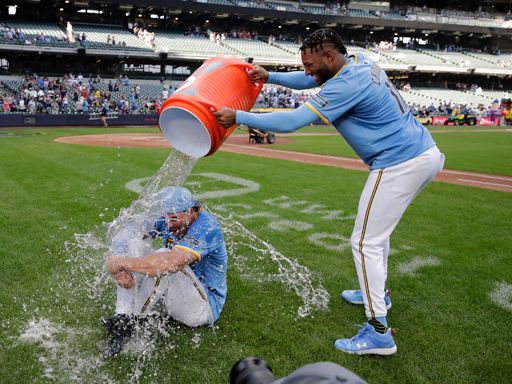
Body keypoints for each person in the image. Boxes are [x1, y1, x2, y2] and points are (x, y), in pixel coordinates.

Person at [213, 28, 445, 356]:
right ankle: (379, 294)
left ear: (329, 57)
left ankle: (379, 333)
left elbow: (293, 121)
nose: (306, 71)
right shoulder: (358, 63)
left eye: (310, 64)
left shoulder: (345, 83)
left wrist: (239, 116)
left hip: (398, 161)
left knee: (365, 242)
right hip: (422, 153)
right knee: (378, 235)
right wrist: (271, 76)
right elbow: (313, 81)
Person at [104, 186, 228, 356]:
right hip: (175, 297)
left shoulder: (207, 227)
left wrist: (121, 262)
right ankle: (122, 316)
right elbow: (128, 231)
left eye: (174, 218)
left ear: (191, 211)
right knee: (133, 243)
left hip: (201, 308)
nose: (169, 223)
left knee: (164, 257)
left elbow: (168, 264)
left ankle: (130, 323)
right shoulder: (171, 216)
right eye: (166, 217)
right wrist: (120, 267)